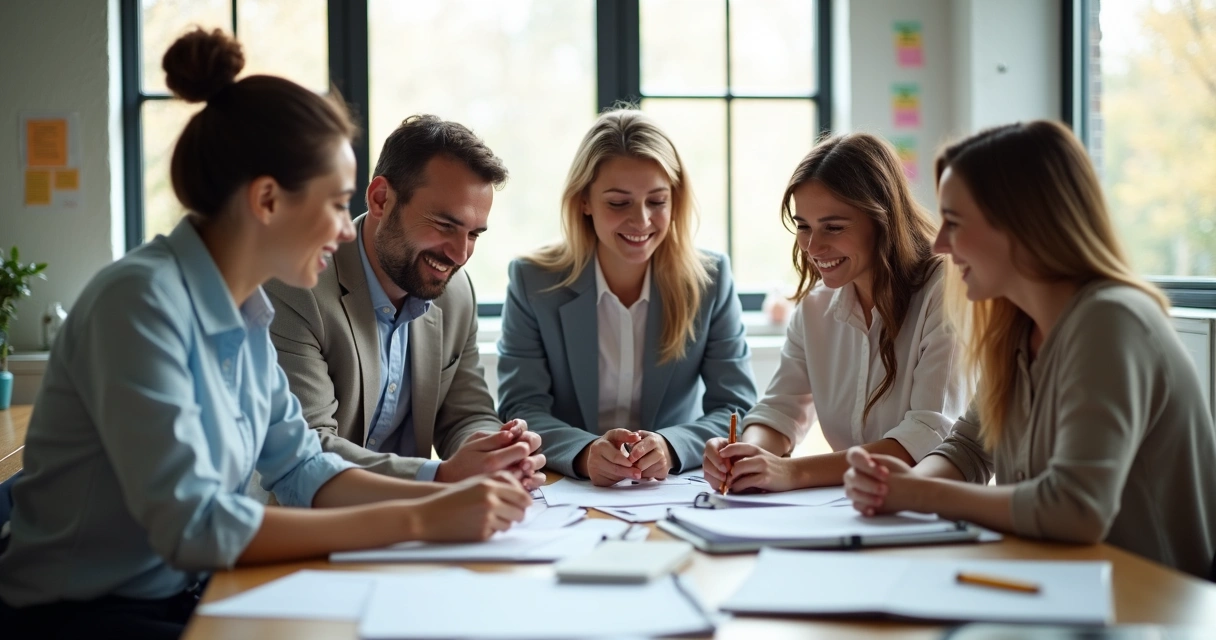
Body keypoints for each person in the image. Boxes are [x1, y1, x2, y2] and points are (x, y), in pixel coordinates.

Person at [0, 29, 530, 638]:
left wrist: (444, 493)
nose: (347, 230)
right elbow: (199, 527)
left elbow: (303, 468)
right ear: (268, 200)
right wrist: (421, 520)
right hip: (85, 618)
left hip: (187, 594)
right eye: (335, 204)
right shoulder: (139, 304)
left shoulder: (245, 311)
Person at [843, 120, 1216, 579]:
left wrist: (919, 496)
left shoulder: (1112, 321)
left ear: (1022, 225)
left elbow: (1076, 507)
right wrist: (898, 485)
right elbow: (968, 450)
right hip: (1063, 588)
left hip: (1153, 607)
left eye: (954, 223)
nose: (939, 244)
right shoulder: (1015, 330)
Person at [264, 115, 545, 488]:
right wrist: (440, 475)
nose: (460, 255)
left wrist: (490, 450)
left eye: (474, 234)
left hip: (415, 529)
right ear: (381, 199)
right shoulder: (297, 285)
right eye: (445, 225)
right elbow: (307, 449)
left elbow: (466, 414)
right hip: (305, 528)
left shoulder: (456, 294)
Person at [496, 108, 757, 486]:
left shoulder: (710, 281)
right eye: (619, 203)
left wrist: (671, 446)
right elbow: (521, 408)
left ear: (675, 199)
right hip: (565, 488)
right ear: (584, 200)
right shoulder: (533, 281)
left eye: (657, 201)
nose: (642, 221)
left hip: (674, 489)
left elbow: (736, 408)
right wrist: (584, 453)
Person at [703, 133, 969, 493]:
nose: (813, 247)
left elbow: (927, 436)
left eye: (833, 227)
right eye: (803, 226)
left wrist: (791, 472)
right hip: (853, 508)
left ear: (883, 219)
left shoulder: (946, 290)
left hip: (927, 512)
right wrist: (747, 454)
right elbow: (779, 412)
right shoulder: (815, 307)